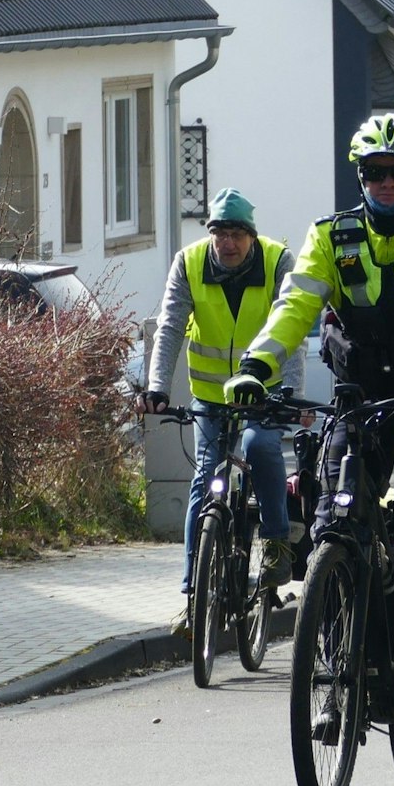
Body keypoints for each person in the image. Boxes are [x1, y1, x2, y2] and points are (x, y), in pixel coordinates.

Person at [227, 114, 394, 660]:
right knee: (334, 511)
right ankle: (335, 655)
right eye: (376, 172)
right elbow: (296, 304)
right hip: (362, 396)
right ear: (360, 175)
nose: (388, 182)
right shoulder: (331, 235)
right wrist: (257, 365)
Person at [140, 188, 305, 635]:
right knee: (205, 479)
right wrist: (156, 386)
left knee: (261, 448)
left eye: (236, 234)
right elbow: (170, 326)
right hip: (210, 396)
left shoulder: (277, 261)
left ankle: (275, 549)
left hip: (263, 394)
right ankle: (194, 596)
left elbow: (292, 329)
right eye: (219, 234)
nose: (227, 243)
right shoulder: (189, 263)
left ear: (251, 236)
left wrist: (289, 391)